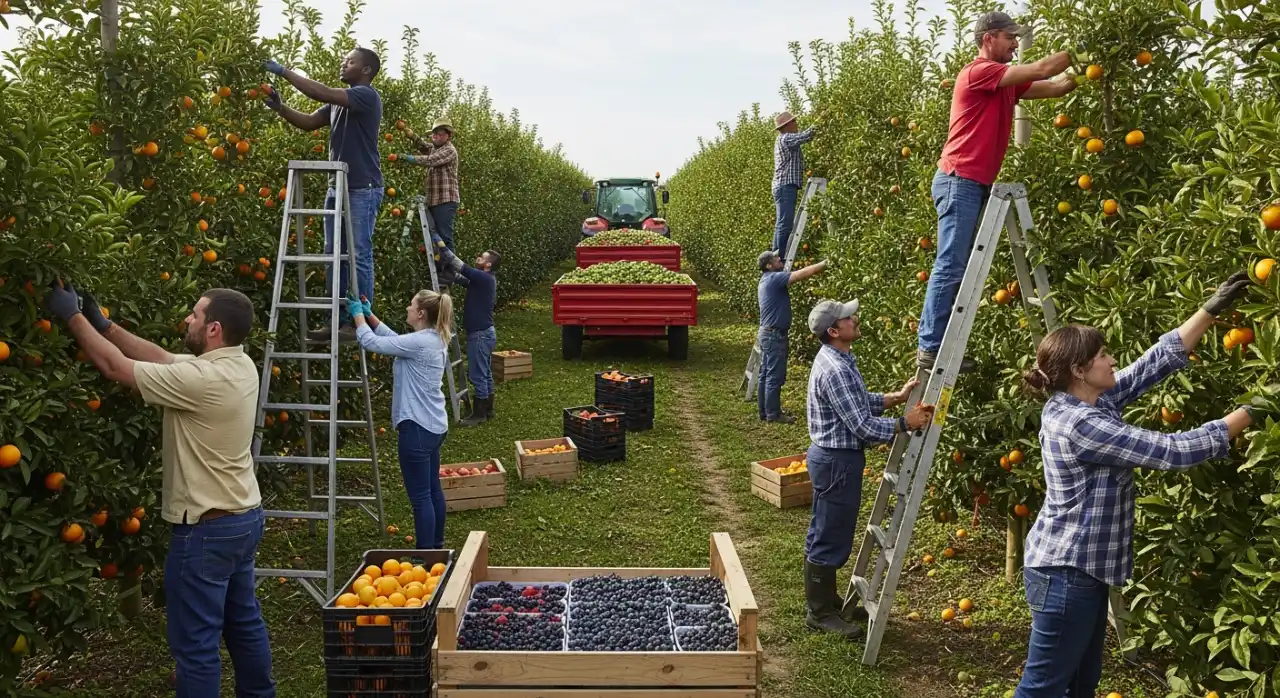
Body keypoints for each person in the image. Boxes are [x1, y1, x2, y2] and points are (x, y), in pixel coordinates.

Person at [1012, 272, 1258, 697]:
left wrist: (1208, 310)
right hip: (1066, 574)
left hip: (1077, 571)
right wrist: (1255, 408)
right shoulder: (1081, 423)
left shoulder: (1083, 398)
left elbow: (1149, 366)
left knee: (1079, 685)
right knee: (1043, 689)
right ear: (1079, 370)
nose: (1112, 361)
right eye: (1103, 355)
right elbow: (1175, 451)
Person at [44, 282, 275, 697]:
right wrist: (106, 326)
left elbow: (116, 368)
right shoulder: (239, 365)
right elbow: (163, 358)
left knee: (196, 645)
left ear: (213, 329)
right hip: (242, 519)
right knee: (243, 623)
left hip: (206, 530)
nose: (187, 319)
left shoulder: (201, 380)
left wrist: (72, 317)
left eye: (195, 314)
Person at [915, 11, 1077, 372]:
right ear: (988, 38)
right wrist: (1081, 49)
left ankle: (939, 342)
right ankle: (929, 347)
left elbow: (1054, 86)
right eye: (1010, 37)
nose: (1016, 44)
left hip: (974, 183)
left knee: (959, 265)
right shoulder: (979, 72)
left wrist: (1086, 71)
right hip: (959, 179)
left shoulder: (1004, 84)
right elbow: (1041, 70)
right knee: (951, 264)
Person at [803, 299, 934, 639]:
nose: (855, 319)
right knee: (829, 534)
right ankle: (819, 613)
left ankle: (825, 600)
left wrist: (895, 397)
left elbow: (856, 402)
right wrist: (905, 423)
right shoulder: (835, 369)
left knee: (828, 529)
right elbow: (862, 426)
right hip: (837, 461)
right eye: (849, 318)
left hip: (835, 459)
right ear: (835, 331)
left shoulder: (838, 359)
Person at [263, 48, 385, 344]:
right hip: (337, 185)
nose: (344, 63)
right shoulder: (338, 104)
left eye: (350, 61)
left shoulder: (366, 96)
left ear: (366, 70)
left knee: (358, 254)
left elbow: (321, 93)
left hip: (362, 187)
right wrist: (281, 108)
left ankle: (358, 320)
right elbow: (308, 122)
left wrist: (283, 71)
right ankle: (338, 318)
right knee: (333, 253)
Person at [346, 291, 453, 549]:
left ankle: (425, 556)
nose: (407, 307)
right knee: (432, 490)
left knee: (421, 498)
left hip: (417, 429)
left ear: (421, 314)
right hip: (434, 426)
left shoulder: (421, 342)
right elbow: (396, 341)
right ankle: (436, 548)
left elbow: (372, 343)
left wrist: (358, 316)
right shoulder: (433, 337)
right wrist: (371, 317)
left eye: (411, 305)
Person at [756, 250, 827, 423]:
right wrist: (825, 264)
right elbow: (802, 274)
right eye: (775, 258)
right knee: (774, 376)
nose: (780, 259)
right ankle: (773, 414)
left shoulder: (766, 279)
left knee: (765, 374)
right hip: (774, 335)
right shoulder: (774, 278)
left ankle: (765, 411)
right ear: (769, 265)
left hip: (767, 333)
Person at [437, 243, 500, 425]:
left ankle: (479, 414)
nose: (478, 257)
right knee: (485, 373)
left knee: (478, 374)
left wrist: (440, 244)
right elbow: (462, 278)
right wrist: (449, 274)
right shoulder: (482, 280)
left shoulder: (484, 277)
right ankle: (488, 409)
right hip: (485, 333)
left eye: (482, 257)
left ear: (488, 265)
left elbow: (460, 266)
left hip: (480, 335)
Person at [399, 118, 461, 252]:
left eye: (439, 133)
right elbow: (423, 146)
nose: (435, 136)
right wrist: (411, 135)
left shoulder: (449, 150)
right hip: (433, 200)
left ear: (448, 135)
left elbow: (430, 160)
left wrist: (408, 158)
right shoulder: (435, 148)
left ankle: (450, 265)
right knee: (435, 238)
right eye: (434, 133)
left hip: (445, 200)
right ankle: (440, 264)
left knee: (444, 237)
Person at [771, 110, 817, 255]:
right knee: (785, 224)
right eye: (794, 121)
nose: (796, 123)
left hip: (783, 185)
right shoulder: (786, 138)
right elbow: (807, 135)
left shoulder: (782, 139)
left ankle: (776, 255)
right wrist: (820, 122)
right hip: (785, 185)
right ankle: (779, 257)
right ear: (787, 125)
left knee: (782, 223)